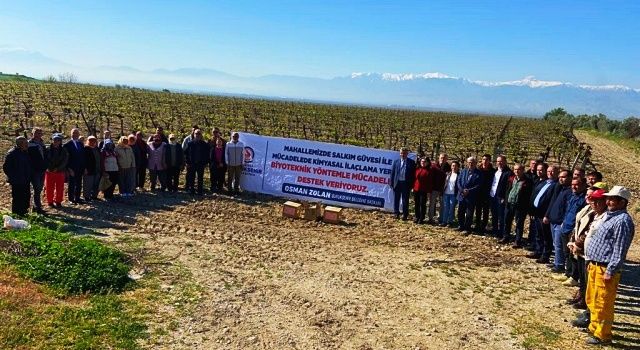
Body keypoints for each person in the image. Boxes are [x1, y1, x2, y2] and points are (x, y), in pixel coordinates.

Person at [583, 186, 634, 345]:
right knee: (592, 299)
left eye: (612, 199)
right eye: (608, 198)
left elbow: (619, 248)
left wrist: (611, 270)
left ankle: (602, 335)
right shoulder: (610, 216)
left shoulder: (622, 221)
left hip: (605, 268)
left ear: (622, 202)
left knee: (603, 303)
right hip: (595, 265)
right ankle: (594, 327)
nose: (608, 201)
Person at [569, 184, 608, 328]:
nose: (594, 203)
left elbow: (588, 233)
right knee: (586, 284)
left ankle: (591, 317)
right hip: (585, 253)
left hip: (594, 258)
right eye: (591, 199)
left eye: (597, 200)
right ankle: (588, 312)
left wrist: (577, 243)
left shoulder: (604, 217)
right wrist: (573, 241)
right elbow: (579, 227)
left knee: (594, 291)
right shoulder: (592, 212)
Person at [555, 177, 587, 280]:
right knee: (567, 253)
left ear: (583, 185)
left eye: (576, 184)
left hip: (573, 229)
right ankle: (567, 273)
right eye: (572, 184)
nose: (573, 186)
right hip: (565, 226)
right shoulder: (573, 196)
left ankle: (574, 276)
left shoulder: (584, 199)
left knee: (573, 254)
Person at [528, 164, 558, 263]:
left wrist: (547, 215)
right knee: (538, 233)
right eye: (549, 171)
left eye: (552, 171)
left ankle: (545, 255)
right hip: (537, 212)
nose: (550, 173)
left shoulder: (556, 185)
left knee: (546, 236)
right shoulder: (544, 182)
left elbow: (552, 201)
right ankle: (538, 251)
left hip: (545, 214)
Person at [544, 169, 571, 271]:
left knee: (559, 245)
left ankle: (559, 265)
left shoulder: (569, 192)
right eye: (559, 177)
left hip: (560, 223)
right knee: (556, 244)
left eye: (563, 177)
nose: (561, 179)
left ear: (570, 178)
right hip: (553, 221)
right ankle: (556, 262)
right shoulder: (561, 189)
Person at [503, 163, 532, 246]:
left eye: (518, 169)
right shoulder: (511, 179)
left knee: (519, 223)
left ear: (523, 170)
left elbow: (528, 195)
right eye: (515, 169)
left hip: (519, 206)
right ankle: (506, 237)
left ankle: (517, 240)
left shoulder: (527, 181)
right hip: (509, 204)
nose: (516, 171)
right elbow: (507, 190)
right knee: (507, 221)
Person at [3, 136, 32, 216]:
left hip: (25, 179)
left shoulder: (25, 152)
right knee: (17, 198)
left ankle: (24, 212)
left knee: (26, 196)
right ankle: (16, 214)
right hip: (17, 181)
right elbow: (6, 168)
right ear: (20, 144)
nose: (27, 145)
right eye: (25, 143)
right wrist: (13, 178)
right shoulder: (12, 153)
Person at [456, 156, 482, 234]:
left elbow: (478, 185)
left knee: (469, 213)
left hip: (471, 196)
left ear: (475, 163)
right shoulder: (463, 171)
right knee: (460, 212)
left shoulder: (479, 173)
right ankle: (461, 226)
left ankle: (467, 228)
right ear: (467, 163)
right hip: (461, 195)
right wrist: (462, 190)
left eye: (472, 162)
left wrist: (469, 191)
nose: (471, 164)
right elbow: (459, 181)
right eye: (469, 162)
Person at [489, 155, 512, 238]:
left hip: (501, 198)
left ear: (505, 162)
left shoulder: (508, 172)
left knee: (501, 217)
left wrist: (504, 198)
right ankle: (494, 231)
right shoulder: (495, 171)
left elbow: (508, 187)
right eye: (498, 161)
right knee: (494, 215)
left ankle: (501, 233)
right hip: (492, 196)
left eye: (501, 161)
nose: (499, 163)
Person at [389, 147, 416, 220]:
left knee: (405, 200)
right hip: (397, 183)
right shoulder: (396, 162)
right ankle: (396, 213)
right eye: (401, 153)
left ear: (407, 154)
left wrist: (412, 185)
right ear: (400, 153)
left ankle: (405, 214)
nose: (403, 154)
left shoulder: (412, 162)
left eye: (404, 153)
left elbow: (413, 175)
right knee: (396, 199)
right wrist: (391, 183)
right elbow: (392, 173)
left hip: (406, 183)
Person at [44, 133, 68, 207]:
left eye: (58, 140)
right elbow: (45, 159)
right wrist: (50, 168)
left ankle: (58, 201)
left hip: (60, 171)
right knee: (49, 187)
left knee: (60, 188)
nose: (56, 141)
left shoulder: (64, 150)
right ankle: (50, 201)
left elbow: (65, 161)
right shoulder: (47, 149)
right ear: (52, 140)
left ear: (60, 141)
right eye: (55, 140)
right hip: (49, 171)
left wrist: (58, 168)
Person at [63, 128, 86, 204]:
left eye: (76, 133)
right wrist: (69, 169)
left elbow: (83, 157)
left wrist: (84, 167)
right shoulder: (67, 145)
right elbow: (66, 159)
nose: (75, 134)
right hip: (71, 168)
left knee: (79, 183)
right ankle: (71, 199)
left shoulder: (81, 144)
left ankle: (77, 198)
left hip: (80, 168)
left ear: (79, 134)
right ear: (71, 134)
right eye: (74, 133)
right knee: (71, 184)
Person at [27, 127, 47, 213]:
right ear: (33, 134)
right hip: (35, 171)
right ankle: (37, 207)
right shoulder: (29, 144)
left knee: (40, 189)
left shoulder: (42, 143)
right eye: (36, 133)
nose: (38, 135)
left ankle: (37, 206)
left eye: (39, 133)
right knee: (36, 188)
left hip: (42, 170)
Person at [474, 154, 494, 234]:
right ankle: (477, 225)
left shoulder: (492, 171)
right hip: (478, 194)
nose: (485, 161)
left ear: (489, 161)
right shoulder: (478, 170)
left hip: (487, 194)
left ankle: (483, 227)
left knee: (486, 211)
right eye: (483, 159)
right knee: (478, 210)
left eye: (487, 160)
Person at [185, 129, 209, 195]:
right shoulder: (190, 143)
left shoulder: (204, 144)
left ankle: (200, 191)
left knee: (200, 178)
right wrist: (187, 162)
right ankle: (191, 190)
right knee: (191, 177)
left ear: (201, 135)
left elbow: (207, 155)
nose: (197, 135)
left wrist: (205, 163)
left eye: (199, 133)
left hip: (201, 164)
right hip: (192, 163)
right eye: (196, 133)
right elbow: (186, 154)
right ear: (194, 134)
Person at [439, 160, 459, 227]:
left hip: (453, 194)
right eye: (453, 165)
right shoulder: (448, 173)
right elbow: (444, 183)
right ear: (451, 167)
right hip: (446, 193)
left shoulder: (459, 175)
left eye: (456, 166)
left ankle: (450, 222)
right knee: (445, 208)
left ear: (458, 167)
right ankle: (444, 221)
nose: (454, 167)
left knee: (451, 208)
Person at [83, 136, 102, 201]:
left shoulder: (97, 148)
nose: (92, 142)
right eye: (91, 140)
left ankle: (94, 196)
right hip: (89, 170)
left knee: (96, 184)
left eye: (94, 141)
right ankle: (86, 196)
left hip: (97, 169)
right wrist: (85, 168)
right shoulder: (86, 149)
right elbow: (83, 160)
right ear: (88, 141)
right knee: (88, 184)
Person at [413, 157, 430, 224]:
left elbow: (430, 182)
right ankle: (417, 216)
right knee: (416, 203)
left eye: (424, 161)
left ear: (427, 163)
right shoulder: (417, 169)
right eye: (422, 161)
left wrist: (429, 191)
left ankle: (421, 218)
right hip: (416, 189)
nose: (423, 162)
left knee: (422, 204)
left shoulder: (429, 170)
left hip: (424, 190)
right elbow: (414, 179)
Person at [427, 159, 445, 224]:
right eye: (441, 158)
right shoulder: (434, 167)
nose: (443, 159)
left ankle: (440, 218)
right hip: (434, 189)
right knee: (432, 204)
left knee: (441, 205)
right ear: (439, 158)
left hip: (443, 190)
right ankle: (430, 218)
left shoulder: (448, 167)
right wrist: (429, 190)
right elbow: (430, 178)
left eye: (444, 158)